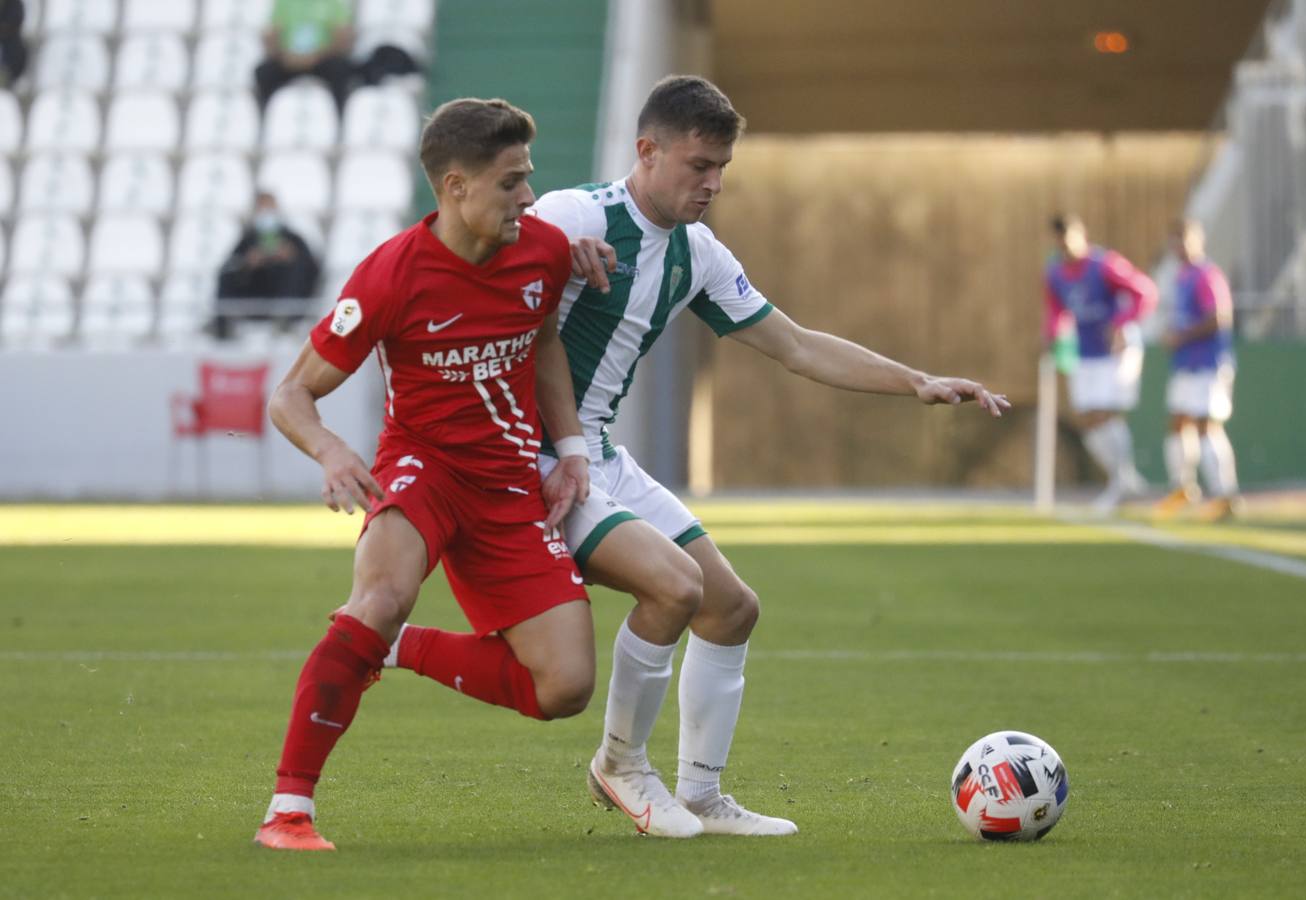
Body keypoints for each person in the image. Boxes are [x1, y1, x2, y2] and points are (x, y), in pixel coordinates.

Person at [382, 75, 1010, 838]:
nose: (712, 183)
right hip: (534, 462)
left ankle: (704, 795)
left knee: (732, 607)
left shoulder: (698, 254)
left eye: (721, 169)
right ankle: (619, 765)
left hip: (602, 455)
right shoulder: (576, 213)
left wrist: (915, 380)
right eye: (698, 165)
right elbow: (481, 240)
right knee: (672, 589)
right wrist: (542, 245)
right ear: (646, 151)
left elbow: (797, 344)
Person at [252, 98, 596, 851]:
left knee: (566, 688)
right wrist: (334, 452)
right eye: (511, 183)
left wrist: (570, 447)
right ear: (455, 187)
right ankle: (288, 811)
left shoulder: (541, 252)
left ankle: (397, 646)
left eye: (528, 179)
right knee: (379, 594)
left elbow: (542, 345)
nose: (529, 198)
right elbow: (290, 395)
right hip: (423, 469)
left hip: (509, 486)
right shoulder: (389, 276)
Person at [1043, 214, 1158, 514]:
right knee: (1088, 418)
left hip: (1116, 351)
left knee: (1105, 413)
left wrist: (1121, 323)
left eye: (1071, 238)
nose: (1067, 246)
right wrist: (1053, 340)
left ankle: (1119, 485)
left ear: (1082, 235)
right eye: (1061, 241)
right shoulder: (1055, 273)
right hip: (1086, 352)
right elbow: (1056, 312)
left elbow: (1145, 293)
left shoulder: (1105, 264)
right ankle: (1125, 478)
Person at [1154, 219, 1240, 521]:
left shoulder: (1207, 274)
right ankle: (1183, 487)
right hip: (1185, 364)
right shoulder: (1181, 277)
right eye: (1174, 239)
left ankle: (1225, 494)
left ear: (1198, 240)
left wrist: (1182, 335)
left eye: (1184, 238)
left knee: (1207, 427)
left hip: (1208, 363)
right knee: (1178, 424)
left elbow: (1220, 317)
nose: (1179, 245)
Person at [214, 193, 321, 338]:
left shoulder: (292, 239)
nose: (266, 213)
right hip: (253, 293)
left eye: (269, 208)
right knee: (227, 274)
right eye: (262, 208)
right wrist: (248, 262)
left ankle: (287, 321)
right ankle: (223, 329)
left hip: (284, 294)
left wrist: (289, 257)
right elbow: (230, 265)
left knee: (298, 269)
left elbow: (312, 267)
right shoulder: (248, 240)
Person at [255, 0, 356, 114]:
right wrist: (284, 55)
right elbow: (272, 35)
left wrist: (316, 56)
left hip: (322, 59)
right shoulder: (283, 3)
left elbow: (343, 38)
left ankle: (340, 116)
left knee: (340, 69)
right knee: (264, 72)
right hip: (289, 60)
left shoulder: (333, 3)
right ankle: (266, 116)